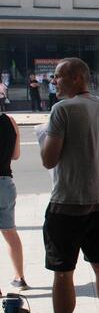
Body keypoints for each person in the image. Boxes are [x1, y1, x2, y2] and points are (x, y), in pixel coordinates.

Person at [39, 58, 99, 313]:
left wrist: (46, 139)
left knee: (63, 273)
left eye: (59, 76)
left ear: (76, 78)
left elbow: (49, 159)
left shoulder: (62, 110)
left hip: (66, 205)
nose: (54, 81)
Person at [1, 112, 27, 290]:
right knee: (10, 233)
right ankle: (20, 277)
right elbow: (16, 155)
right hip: (5, 184)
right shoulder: (10, 121)